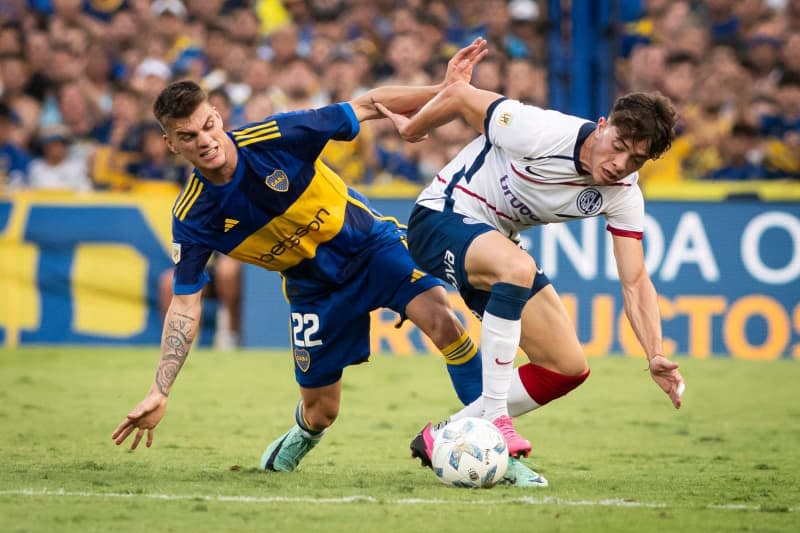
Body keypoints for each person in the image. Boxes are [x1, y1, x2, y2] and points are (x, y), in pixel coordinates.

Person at [111, 40, 490, 475]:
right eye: (188, 136)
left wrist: (446, 89)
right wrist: (161, 389)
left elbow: (368, 104)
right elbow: (185, 302)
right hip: (312, 288)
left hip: (368, 246)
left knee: (442, 320)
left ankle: (492, 431)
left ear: (219, 116)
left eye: (208, 125)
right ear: (171, 145)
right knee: (322, 410)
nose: (205, 141)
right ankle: (304, 434)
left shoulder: (277, 136)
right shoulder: (193, 216)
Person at [377, 80, 687, 487]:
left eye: (636, 159)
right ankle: (495, 418)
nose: (620, 164)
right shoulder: (537, 129)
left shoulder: (623, 194)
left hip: (497, 244)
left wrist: (654, 353)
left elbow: (635, 280)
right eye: (619, 145)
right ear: (602, 126)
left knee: (567, 367)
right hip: (440, 217)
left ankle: (446, 436)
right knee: (518, 268)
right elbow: (459, 96)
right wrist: (414, 127)